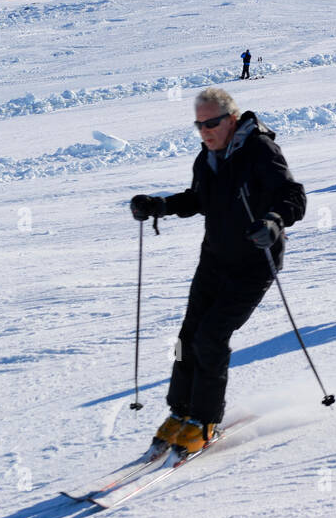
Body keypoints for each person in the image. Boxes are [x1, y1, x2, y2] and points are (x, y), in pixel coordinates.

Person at [129, 87, 306, 454]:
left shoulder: (260, 150)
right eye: (199, 125)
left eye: (211, 123)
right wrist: (160, 205)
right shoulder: (207, 158)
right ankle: (180, 412)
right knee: (186, 336)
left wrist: (273, 221)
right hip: (214, 261)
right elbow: (199, 199)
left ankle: (205, 419)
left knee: (210, 336)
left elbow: (293, 196)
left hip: (254, 265)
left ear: (231, 119)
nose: (205, 131)